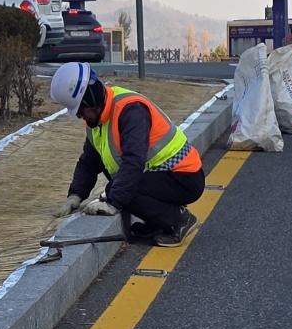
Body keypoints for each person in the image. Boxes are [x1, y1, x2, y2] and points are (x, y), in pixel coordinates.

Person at [48, 62, 203, 246]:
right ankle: (159, 223)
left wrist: (113, 202)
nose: (80, 116)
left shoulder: (130, 110)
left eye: (81, 110)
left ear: (91, 100)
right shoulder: (97, 123)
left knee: (121, 191)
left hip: (184, 177)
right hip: (163, 176)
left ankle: (179, 220)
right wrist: (76, 195)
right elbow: (89, 162)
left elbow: (133, 161)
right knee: (118, 188)